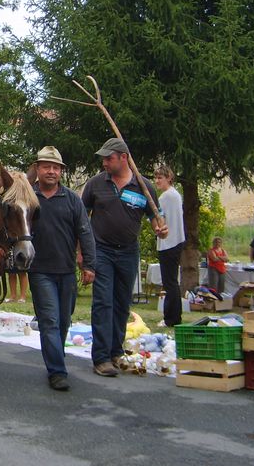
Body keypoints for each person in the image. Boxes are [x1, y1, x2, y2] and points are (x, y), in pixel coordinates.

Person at [82, 138, 167, 377]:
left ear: (123, 157)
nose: (104, 162)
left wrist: (161, 228)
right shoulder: (96, 184)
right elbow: (81, 217)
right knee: (103, 302)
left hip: (129, 252)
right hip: (102, 250)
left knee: (121, 303)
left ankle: (115, 351)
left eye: (109, 158)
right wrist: (81, 251)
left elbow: (155, 217)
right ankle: (100, 358)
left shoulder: (144, 186)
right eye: (103, 158)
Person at [28, 146, 96, 391]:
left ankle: (57, 359)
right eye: (46, 166)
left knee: (64, 321)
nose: (51, 171)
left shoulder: (72, 200)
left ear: (61, 172)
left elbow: (85, 233)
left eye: (56, 167)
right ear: (37, 169)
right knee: (50, 321)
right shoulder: (28, 197)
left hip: (66, 271)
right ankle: (57, 371)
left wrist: (89, 264)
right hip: (39, 270)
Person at [154, 165, 185, 327]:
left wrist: (158, 227)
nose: (157, 181)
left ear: (169, 178)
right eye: (156, 177)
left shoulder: (166, 197)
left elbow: (160, 219)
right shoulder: (175, 195)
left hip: (169, 242)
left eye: (160, 178)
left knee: (170, 282)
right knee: (172, 281)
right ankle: (175, 316)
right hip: (176, 241)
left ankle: (170, 318)